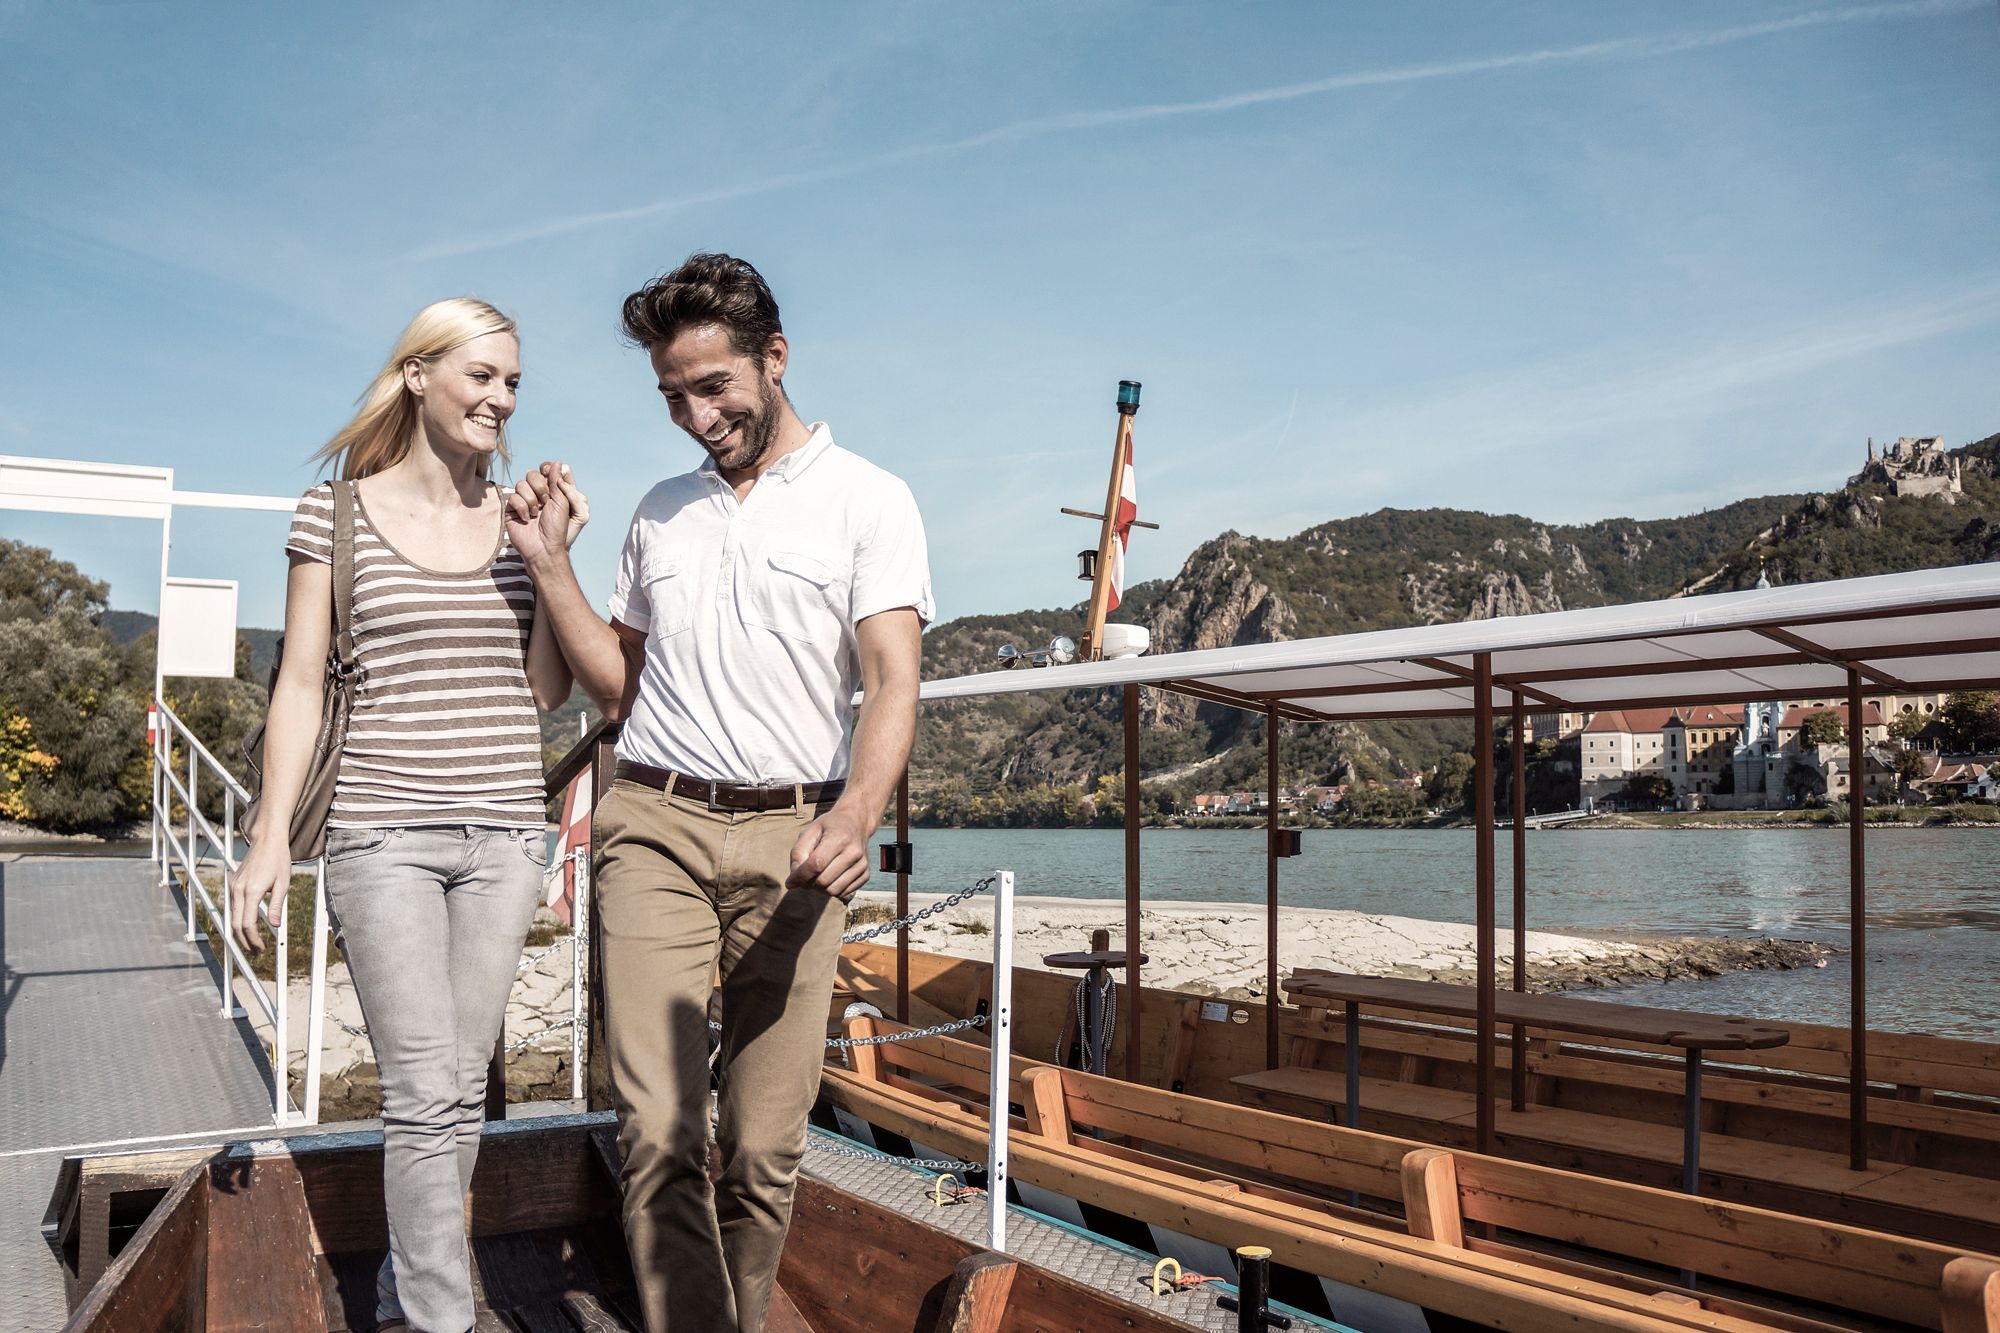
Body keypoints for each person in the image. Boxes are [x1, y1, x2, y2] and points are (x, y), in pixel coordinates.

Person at [511, 253, 930, 1333]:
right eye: (671, 396)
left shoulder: (870, 501)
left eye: (713, 388)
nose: (695, 415)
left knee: (762, 1145)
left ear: (774, 358)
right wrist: (553, 566)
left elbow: (892, 680)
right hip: (651, 822)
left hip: (799, 836)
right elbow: (615, 688)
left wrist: (854, 815)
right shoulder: (660, 514)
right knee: (654, 1131)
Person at [233, 298, 588, 1333]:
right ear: (418, 375)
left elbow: (541, 692)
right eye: (481, 375)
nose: (501, 398)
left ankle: (399, 1293)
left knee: (448, 1098)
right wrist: (266, 836)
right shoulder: (331, 514)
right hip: (379, 830)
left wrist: (554, 555)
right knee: (426, 1084)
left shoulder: (519, 521)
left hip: (507, 838)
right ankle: (443, 1319)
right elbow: (299, 683)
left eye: (514, 381)